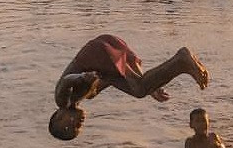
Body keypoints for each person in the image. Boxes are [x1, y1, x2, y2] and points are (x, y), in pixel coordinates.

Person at [50, 35, 209, 140]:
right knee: (139, 90)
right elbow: (115, 78)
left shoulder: (62, 100)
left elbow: (65, 81)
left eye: (75, 124)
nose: (81, 122)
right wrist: (151, 88)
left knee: (139, 89)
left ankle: (181, 60)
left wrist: (82, 77)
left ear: (59, 117)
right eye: (80, 127)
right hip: (103, 52)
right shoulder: (87, 94)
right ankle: (183, 64)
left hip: (97, 52)